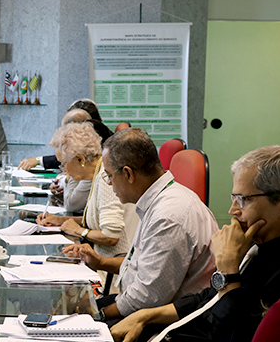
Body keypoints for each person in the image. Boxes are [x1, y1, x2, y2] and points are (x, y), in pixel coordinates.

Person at [110, 145, 280, 342]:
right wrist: (144, 316)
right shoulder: (255, 247)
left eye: (243, 200)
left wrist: (228, 271)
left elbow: (233, 334)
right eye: (233, 198)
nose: (232, 210)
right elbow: (209, 297)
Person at [67, 128, 218, 323]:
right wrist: (101, 262)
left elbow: (147, 299)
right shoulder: (160, 199)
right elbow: (143, 264)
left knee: (71, 321)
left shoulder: (167, 216)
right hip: (144, 304)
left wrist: (98, 315)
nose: (110, 183)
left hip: (161, 320)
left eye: (110, 176)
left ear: (128, 174)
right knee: (70, 310)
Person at [36, 122, 138, 291]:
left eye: (63, 164)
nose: (64, 170)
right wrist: (60, 220)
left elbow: (111, 236)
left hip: (113, 278)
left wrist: (78, 231)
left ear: (80, 159)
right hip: (104, 265)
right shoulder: (98, 173)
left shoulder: (106, 177)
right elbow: (97, 220)